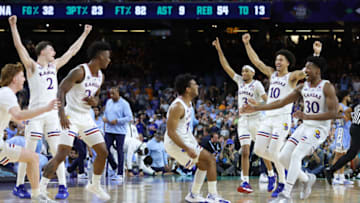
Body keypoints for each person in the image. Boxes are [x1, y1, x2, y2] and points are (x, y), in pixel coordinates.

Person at [8, 15, 92, 199]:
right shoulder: (31, 66)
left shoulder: (54, 65)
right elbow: (19, 47)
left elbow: (72, 52)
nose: (54, 51)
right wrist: (13, 26)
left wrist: (84, 34)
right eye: (51, 49)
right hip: (36, 114)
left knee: (58, 151)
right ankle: (19, 185)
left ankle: (63, 187)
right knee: (28, 153)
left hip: (53, 114)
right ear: (42, 51)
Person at [242, 56, 338, 200]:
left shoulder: (326, 86)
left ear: (317, 71)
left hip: (319, 129)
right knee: (282, 157)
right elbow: (280, 102)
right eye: (304, 67)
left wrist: (307, 116)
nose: (305, 70)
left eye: (308, 68)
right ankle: (306, 179)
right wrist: (256, 107)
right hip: (305, 126)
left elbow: (333, 113)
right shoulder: (302, 87)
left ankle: (285, 194)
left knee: (296, 155)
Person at [39, 41, 112, 201]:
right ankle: (41, 190)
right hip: (71, 116)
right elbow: (61, 90)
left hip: (86, 118)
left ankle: (95, 185)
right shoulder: (79, 71)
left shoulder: (101, 76)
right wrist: (62, 114)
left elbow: (96, 95)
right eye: (107, 57)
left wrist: (95, 101)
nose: (109, 60)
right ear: (100, 56)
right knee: (61, 155)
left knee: (103, 152)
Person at [213, 37, 273, 193]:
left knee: (261, 150)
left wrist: (255, 106)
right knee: (245, 151)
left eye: (246, 70)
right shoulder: (239, 82)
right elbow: (226, 67)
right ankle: (245, 182)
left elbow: (268, 103)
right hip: (244, 120)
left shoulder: (257, 84)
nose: (243, 73)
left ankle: (271, 174)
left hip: (257, 119)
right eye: (242, 71)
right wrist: (219, 50)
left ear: (253, 73)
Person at [164, 74, 230, 203]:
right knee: (210, 159)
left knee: (204, 163)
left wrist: (193, 143)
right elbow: (171, 132)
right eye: (195, 84)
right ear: (188, 89)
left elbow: (185, 129)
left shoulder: (189, 104)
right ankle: (212, 195)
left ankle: (194, 194)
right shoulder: (178, 106)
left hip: (184, 141)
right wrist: (187, 148)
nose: (198, 86)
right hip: (175, 143)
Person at [0, 63, 58, 201]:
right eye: (21, 76)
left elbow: (17, 119)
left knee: (33, 157)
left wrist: (30, 123)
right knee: (33, 158)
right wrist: (45, 109)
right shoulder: (7, 94)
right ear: (14, 78)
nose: (24, 79)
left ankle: (37, 195)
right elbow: (19, 116)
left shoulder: (5, 94)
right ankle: (37, 195)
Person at [325, 98, 360, 185]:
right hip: (356, 128)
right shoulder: (342, 105)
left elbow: (348, 111)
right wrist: (350, 119)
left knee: (350, 154)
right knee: (344, 153)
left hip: (353, 127)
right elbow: (346, 112)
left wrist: (351, 119)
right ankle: (332, 171)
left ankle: (333, 171)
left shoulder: (356, 103)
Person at [103, 87, 133, 181]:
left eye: (113, 94)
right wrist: (104, 118)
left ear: (118, 93)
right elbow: (105, 113)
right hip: (109, 130)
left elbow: (129, 117)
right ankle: (114, 165)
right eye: (110, 94)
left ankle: (120, 173)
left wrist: (118, 121)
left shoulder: (124, 104)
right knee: (104, 149)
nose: (111, 96)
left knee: (120, 151)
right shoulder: (108, 102)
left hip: (120, 131)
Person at [331, 90, 353, 185]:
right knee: (338, 155)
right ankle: (335, 176)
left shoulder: (347, 107)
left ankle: (342, 177)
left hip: (347, 132)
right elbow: (336, 115)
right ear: (345, 97)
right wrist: (345, 115)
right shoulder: (340, 105)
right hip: (341, 131)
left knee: (344, 156)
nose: (350, 97)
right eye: (348, 96)